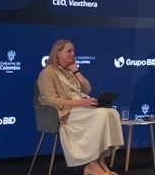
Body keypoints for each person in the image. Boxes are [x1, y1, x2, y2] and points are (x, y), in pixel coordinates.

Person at [37, 40, 123, 175]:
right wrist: (81, 103)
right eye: (69, 51)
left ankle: (100, 162)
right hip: (67, 111)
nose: (73, 54)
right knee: (102, 115)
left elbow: (87, 88)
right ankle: (92, 165)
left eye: (73, 51)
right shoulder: (47, 74)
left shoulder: (68, 72)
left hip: (82, 108)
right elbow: (51, 100)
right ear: (58, 53)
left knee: (112, 113)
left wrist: (76, 70)